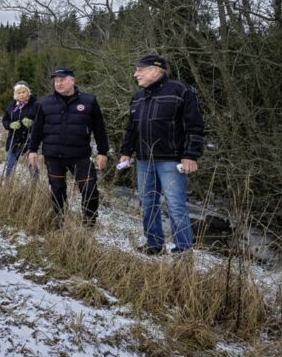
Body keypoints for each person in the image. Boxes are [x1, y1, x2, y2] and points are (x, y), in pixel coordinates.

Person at [118, 55, 205, 255]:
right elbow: (131, 128)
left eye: (140, 70)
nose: (135, 74)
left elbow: (195, 126)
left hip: (171, 161)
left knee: (175, 205)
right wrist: (126, 152)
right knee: (148, 203)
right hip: (143, 160)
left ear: (156, 70)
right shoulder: (138, 97)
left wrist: (190, 155)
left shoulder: (180, 91)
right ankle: (154, 245)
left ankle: (183, 251)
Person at [27, 68, 109, 227]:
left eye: (63, 80)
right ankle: (59, 221)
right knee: (57, 190)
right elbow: (37, 128)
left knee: (90, 190)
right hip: (53, 155)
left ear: (73, 80)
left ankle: (89, 223)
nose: (59, 83)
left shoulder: (89, 101)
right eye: (56, 81)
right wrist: (32, 150)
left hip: (80, 155)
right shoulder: (44, 103)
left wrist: (102, 152)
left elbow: (99, 128)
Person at [1, 81, 38, 177]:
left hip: (29, 140)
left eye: (23, 92)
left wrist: (32, 123)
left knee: (32, 165)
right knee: (10, 165)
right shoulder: (12, 105)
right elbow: (5, 120)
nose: (21, 95)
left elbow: (42, 121)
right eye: (19, 92)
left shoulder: (36, 104)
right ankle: (8, 182)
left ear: (28, 92)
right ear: (15, 94)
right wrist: (10, 125)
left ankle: (34, 183)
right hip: (14, 139)